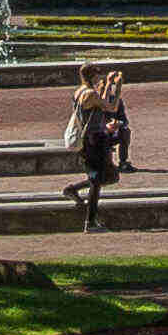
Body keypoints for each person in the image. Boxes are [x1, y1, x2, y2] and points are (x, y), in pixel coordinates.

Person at [65, 67, 132, 231]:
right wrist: (118, 86)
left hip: (91, 140)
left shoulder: (80, 91)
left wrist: (108, 84)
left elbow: (100, 103)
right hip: (95, 142)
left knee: (107, 176)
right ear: (92, 76)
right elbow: (111, 107)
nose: (99, 77)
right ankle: (90, 222)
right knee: (99, 180)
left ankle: (73, 190)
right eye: (97, 75)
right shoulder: (90, 94)